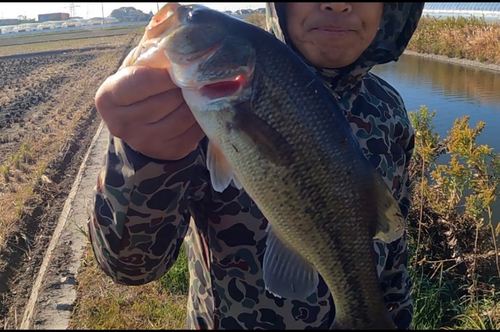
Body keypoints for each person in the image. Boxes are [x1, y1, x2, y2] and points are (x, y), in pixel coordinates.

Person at [88, 2, 424, 330]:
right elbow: (130, 268)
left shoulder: (389, 109)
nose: (337, 5)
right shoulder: (189, 113)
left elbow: (392, 250)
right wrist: (146, 157)